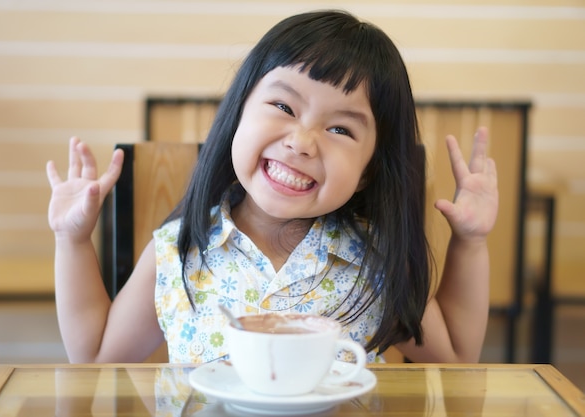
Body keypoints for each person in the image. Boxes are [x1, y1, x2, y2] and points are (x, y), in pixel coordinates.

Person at [46, 10, 498, 365]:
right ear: (239, 112)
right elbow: (95, 357)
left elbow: (456, 357)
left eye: (341, 129)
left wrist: (471, 244)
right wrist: (72, 241)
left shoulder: (376, 262)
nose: (301, 142)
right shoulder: (180, 249)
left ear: (368, 171)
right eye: (284, 105)